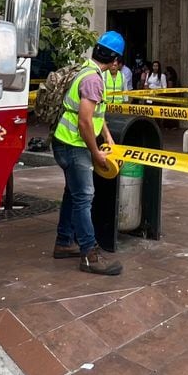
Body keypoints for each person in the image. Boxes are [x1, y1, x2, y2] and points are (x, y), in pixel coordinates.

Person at [51, 31, 126, 276]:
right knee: (84, 197)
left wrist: (107, 136)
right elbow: (84, 121)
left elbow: (95, 114)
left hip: (64, 141)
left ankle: (64, 242)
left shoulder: (86, 70)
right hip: (74, 145)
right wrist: (96, 152)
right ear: (114, 60)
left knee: (72, 193)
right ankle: (89, 255)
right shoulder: (94, 80)